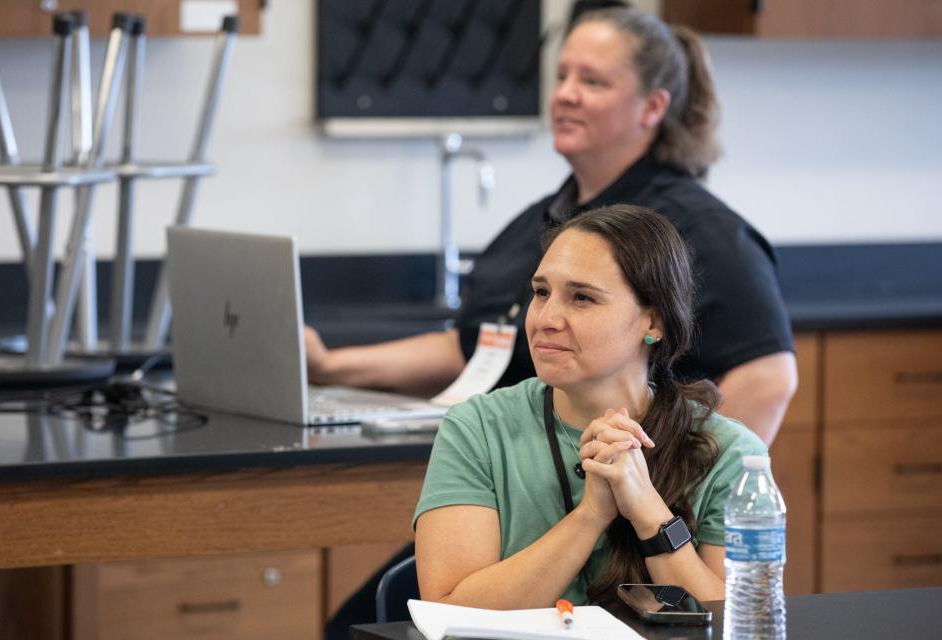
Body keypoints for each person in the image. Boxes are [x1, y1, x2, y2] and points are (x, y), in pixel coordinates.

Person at [308, 5, 795, 445]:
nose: (565, 95)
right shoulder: (546, 219)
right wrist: (331, 366)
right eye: (562, 76)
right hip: (513, 478)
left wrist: (670, 498)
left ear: (653, 107)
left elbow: (768, 379)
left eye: (593, 82)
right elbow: (477, 348)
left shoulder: (702, 230)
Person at [415, 204, 767, 606]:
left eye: (581, 298)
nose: (546, 318)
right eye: (541, 292)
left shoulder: (732, 454)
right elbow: (449, 609)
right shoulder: (476, 428)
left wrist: (650, 514)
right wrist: (590, 515)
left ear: (653, 323)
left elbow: (739, 623)